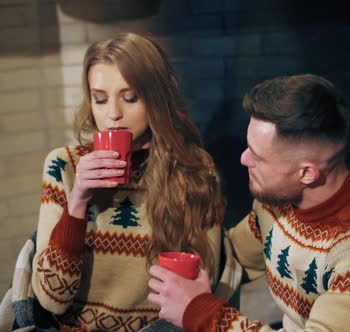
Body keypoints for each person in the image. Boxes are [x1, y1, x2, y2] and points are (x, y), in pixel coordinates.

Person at [147, 74, 350, 331]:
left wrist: (202, 313)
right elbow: (232, 255)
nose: (243, 159)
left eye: (257, 156)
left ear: (307, 172)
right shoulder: (278, 205)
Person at [31, 33, 231, 331]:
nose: (113, 114)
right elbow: (52, 300)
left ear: (156, 100)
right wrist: (78, 201)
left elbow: (203, 284)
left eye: (130, 98)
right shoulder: (65, 166)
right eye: (100, 99)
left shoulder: (195, 168)